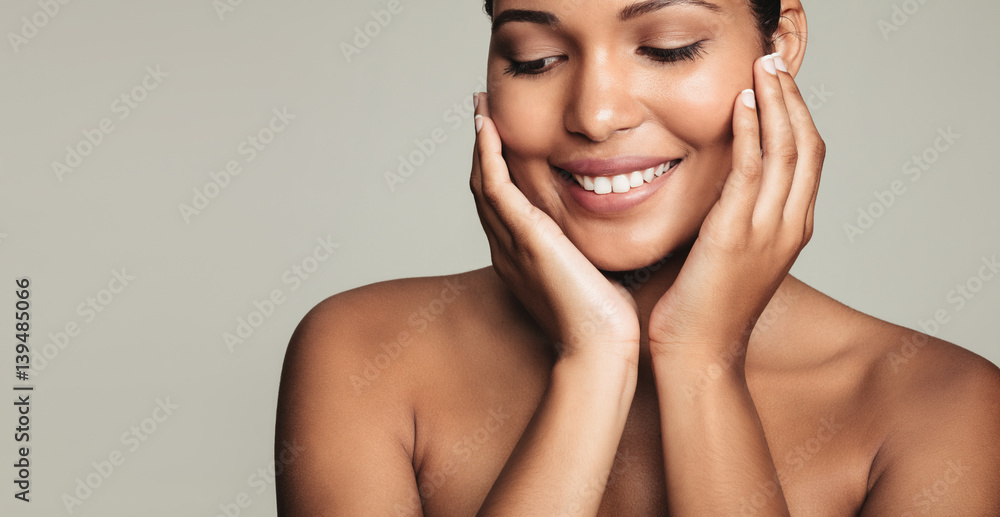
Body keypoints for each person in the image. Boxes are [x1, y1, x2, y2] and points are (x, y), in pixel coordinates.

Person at [274, 0, 1000, 514]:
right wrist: (591, 361)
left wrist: (702, 360)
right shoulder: (364, 353)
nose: (595, 113)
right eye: (536, 58)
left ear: (782, 41)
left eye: (668, 46)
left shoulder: (941, 406)